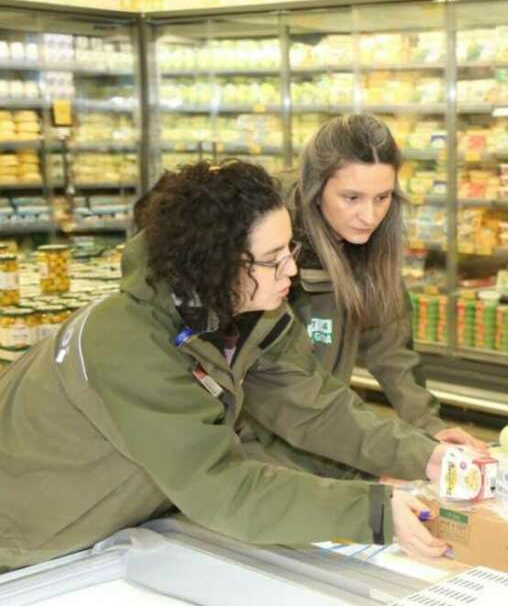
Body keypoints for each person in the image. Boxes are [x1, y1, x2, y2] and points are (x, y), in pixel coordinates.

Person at [0, 161, 451, 572]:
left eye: (289, 249)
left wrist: (426, 456)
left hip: (112, 527)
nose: (291, 270)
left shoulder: (244, 309)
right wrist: (372, 511)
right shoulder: (128, 342)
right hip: (29, 547)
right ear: (216, 263)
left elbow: (314, 406)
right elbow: (221, 486)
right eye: (273, 259)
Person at [284, 114, 486, 454]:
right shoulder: (276, 244)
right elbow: (281, 389)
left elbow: (390, 345)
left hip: (321, 428)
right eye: (352, 198)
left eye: (383, 197)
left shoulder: (373, 238)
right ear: (316, 189)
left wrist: (428, 425)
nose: (370, 216)